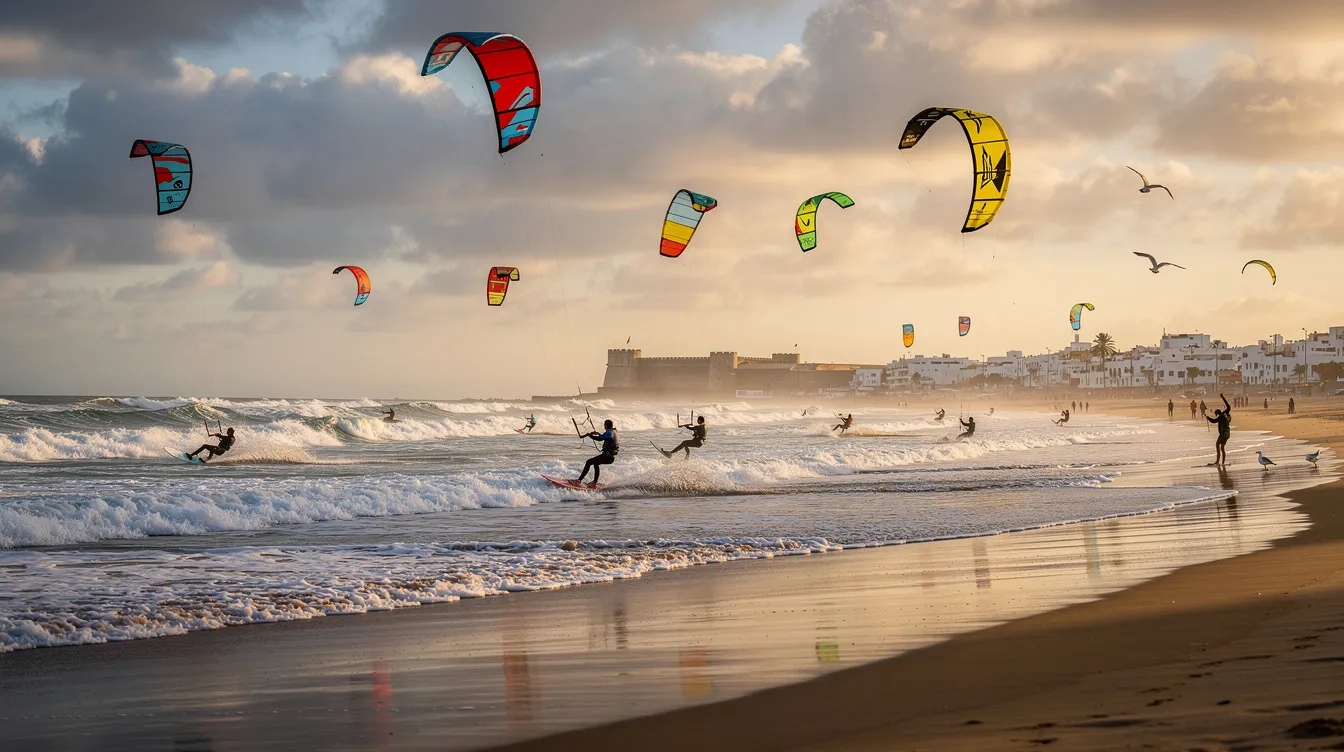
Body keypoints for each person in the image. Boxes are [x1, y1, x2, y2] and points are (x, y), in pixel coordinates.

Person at [573, 419, 620, 488]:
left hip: (607, 456)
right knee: (596, 463)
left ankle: (578, 481)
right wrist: (598, 434)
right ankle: (594, 482)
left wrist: (590, 435)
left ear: (605, 426)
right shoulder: (614, 432)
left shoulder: (609, 432)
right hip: (611, 457)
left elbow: (599, 439)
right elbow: (606, 438)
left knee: (588, 462)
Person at [1207, 393, 1232, 466]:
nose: (1216, 415)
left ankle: (1217, 462)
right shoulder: (1225, 414)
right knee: (1222, 448)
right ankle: (1223, 462)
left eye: (1216, 414)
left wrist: (1208, 418)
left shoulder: (1220, 416)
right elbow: (1228, 406)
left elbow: (1213, 421)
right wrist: (1223, 397)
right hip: (1227, 433)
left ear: (1217, 413)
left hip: (1223, 433)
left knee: (1217, 445)